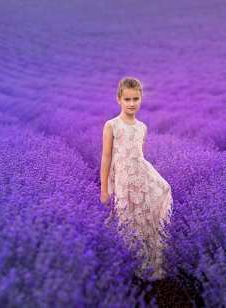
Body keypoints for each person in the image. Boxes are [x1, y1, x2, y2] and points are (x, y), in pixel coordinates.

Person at [100, 77, 173, 280]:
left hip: (140, 178)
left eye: (136, 99)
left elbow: (139, 156)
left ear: (141, 99)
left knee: (144, 217)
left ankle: (147, 263)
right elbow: (106, 158)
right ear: (118, 100)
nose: (132, 104)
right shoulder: (111, 125)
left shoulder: (142, 127)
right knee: (125, 218)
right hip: (122, 180)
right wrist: (104, 190)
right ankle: (129, 264)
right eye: (127, 99)